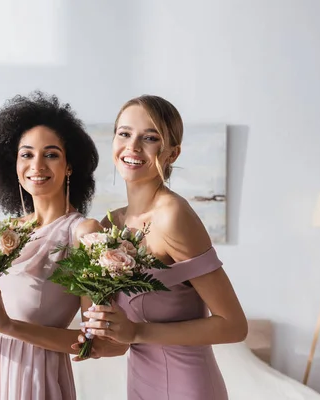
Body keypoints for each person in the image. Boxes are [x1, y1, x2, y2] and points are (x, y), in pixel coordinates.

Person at [0, 91, 121, 400]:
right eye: (26, 154)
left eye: (51, 154)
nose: (37, 165)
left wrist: (9, 327)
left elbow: (97, 344)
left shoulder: (84, 233)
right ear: (13, 163)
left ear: (70, 165)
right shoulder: (1, 231)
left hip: (31, 379)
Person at [78, 95, 248, 400]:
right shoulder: (110, 225)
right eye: (125, 134)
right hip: (140, 383)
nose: (132, 147)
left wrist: (137, 333)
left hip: (188, 386)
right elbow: (111, 341)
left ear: (172, 153)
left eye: (150, 137)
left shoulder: (173, 216)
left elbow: (234, 326)